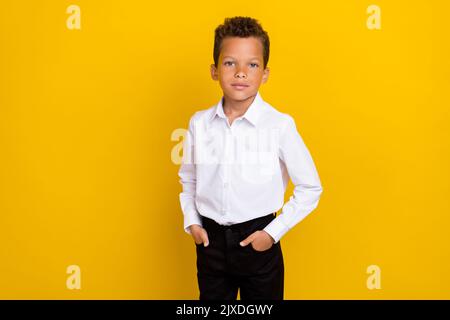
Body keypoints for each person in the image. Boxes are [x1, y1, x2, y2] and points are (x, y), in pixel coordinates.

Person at [178, 16, 323, 300]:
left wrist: (271, 234)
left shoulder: (279, 125)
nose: (241, 73)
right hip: (211, 243)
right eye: (230, 63)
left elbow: (310, 187)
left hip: (258, 240)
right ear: (214, 70)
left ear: (265, 74)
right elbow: (189, 177)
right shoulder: (199, 123)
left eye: (252, 65)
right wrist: (193, 222)